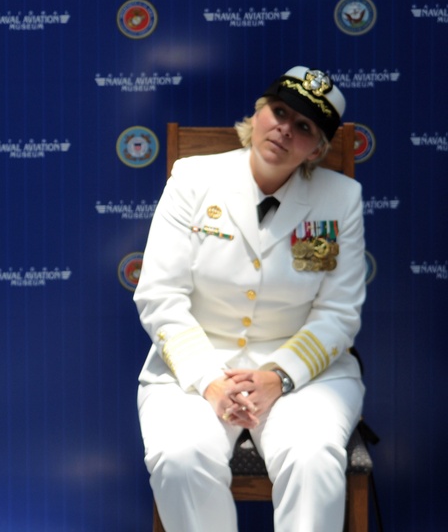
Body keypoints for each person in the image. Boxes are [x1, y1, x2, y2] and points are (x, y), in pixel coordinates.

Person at [134, 67, 365, 531]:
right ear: (257, 113)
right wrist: (211, 382)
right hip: (198, 364)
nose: (284, 129)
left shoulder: (341, 198)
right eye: (279, 112)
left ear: (317, 150)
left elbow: (338, 314)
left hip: (305, 374)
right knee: (180, 457)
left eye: (304, 128)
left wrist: (277, 376)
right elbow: (160, 294)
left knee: (312, 457)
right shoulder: (193, 177)